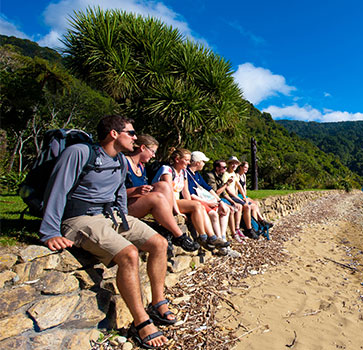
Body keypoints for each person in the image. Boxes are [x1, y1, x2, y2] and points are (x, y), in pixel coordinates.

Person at [40, 115, 171, 349]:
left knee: (159, 243)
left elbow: (119, 192)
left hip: (111, 216)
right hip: (80, 219)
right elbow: (56, 189)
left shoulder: (120, 160)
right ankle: (141, 322)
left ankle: (158, 302)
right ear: (113, 134)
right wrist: (50, 232)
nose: (135, 137)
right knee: (129, 254)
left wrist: (125, 220)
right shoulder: (80, 153)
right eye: (131, 133)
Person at [124, 134, 199, 252]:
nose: (153, 155)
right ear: (142, 148)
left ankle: (166, 228)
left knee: (163, 185)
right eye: (152, 151)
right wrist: (135, 191)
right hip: (124, 206)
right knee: (157, 197)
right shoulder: (123, 164)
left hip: (137, 202)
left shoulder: (141, 167)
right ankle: (179, 236)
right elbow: (112, 193)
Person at [151, 148, 225, 250]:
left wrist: (190, 204)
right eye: (186, 160)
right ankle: (203, 237)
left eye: (189, 160)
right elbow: (169, 191)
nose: (188, 162)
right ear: (177, 159)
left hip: (176, 200)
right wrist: (177, 211)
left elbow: (185, 192)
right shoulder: (167, 170)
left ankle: (211, 237)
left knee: (200, 207)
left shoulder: (183, 172)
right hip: (165, 201)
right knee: (197, 205)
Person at [186, 151, 241, 257]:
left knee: (226, 210)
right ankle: (221, 244)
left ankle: (222, 239)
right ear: (197, 163)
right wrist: (208, 202)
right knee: (214, 214)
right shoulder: (187, 174)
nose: (204, 164)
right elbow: (190, 194)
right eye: (202, 162)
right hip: (197, 201)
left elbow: (208, 188)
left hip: (203, 200)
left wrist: (220, 202)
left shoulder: (196, 174)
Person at [205, 159, 258, 240]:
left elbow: (227, 192)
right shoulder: (211, 176)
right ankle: (233, 233)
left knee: (246, 205)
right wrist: (227, 184)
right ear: (217, 168)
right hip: (214, 199)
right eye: (224, 167)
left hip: (224, 197)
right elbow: (216, 193)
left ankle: (251, 228)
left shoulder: (221, 175)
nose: (225, 169)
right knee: (232, 209)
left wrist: (235, 200)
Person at [235, 161, 273, 228]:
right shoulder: (237, 176)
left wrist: (246, 197)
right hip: (238, 195)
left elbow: (244, 188)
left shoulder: (244, 176)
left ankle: (258, 222)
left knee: (255, 203)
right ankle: (259, 223)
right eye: (245, 167)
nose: (246, 169)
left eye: (247, 168)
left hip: (243, 195)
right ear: (240, 167)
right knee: (254, 206)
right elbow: (236, 189)